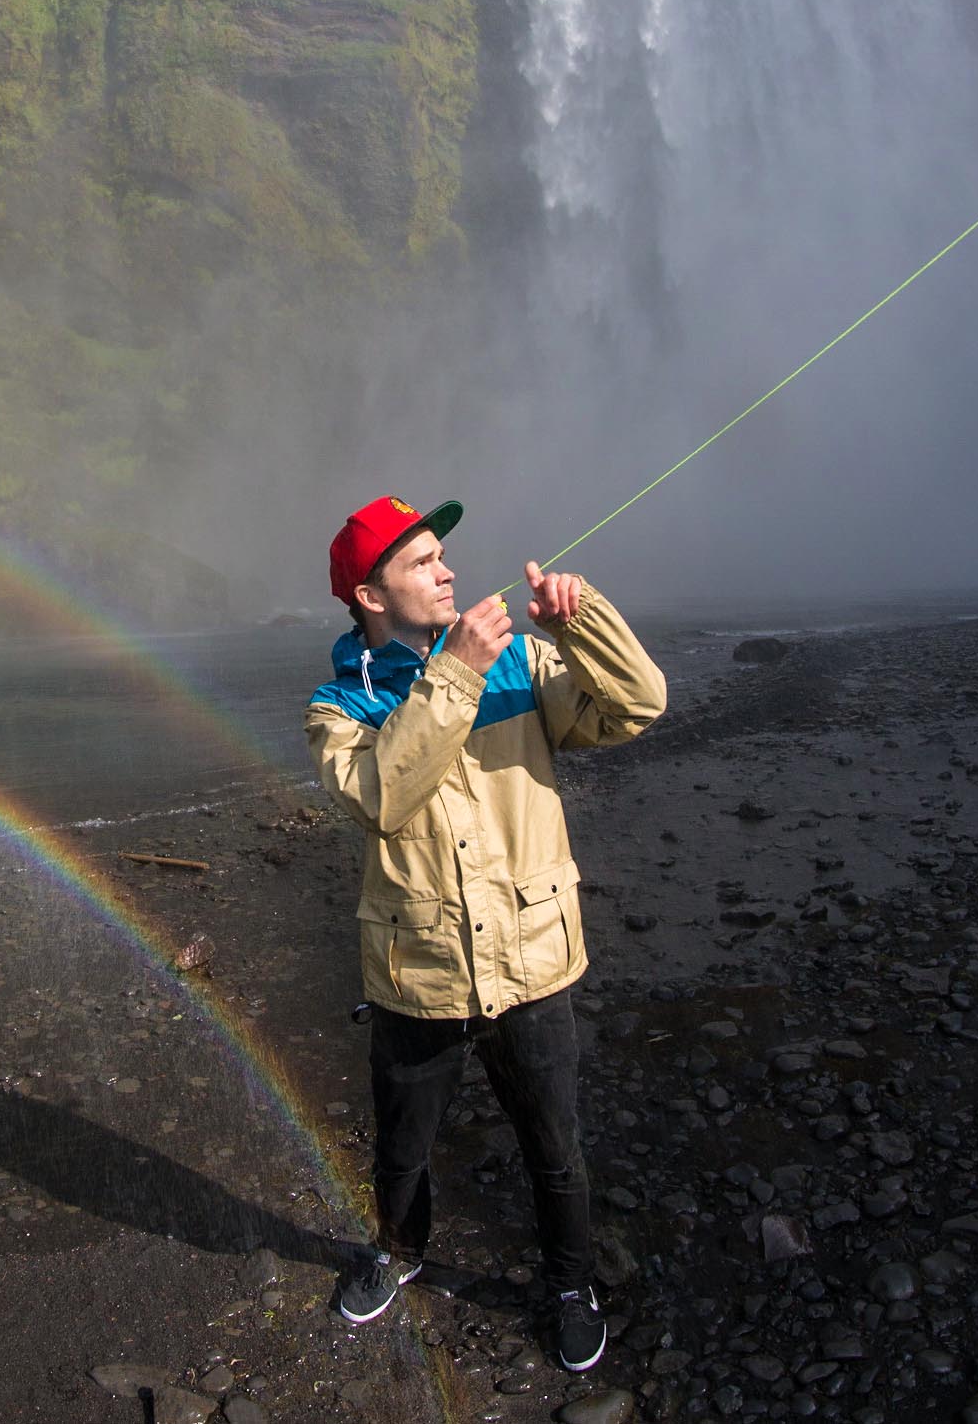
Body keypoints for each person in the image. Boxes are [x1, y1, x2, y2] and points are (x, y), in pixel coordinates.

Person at [304, 494, 666, 1373]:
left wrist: (584, 625)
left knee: (554, 1145)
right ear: (371, 594)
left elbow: (638, 706)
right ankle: (399, 1250)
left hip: (532, 957)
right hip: (414, 968)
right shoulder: (336, 704)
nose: (448, 571)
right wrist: (455, 673)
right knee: (401, 1145)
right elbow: (384, 799)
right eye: (422, 560)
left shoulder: (524, 664)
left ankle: (570, 1284)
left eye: (443, 554)